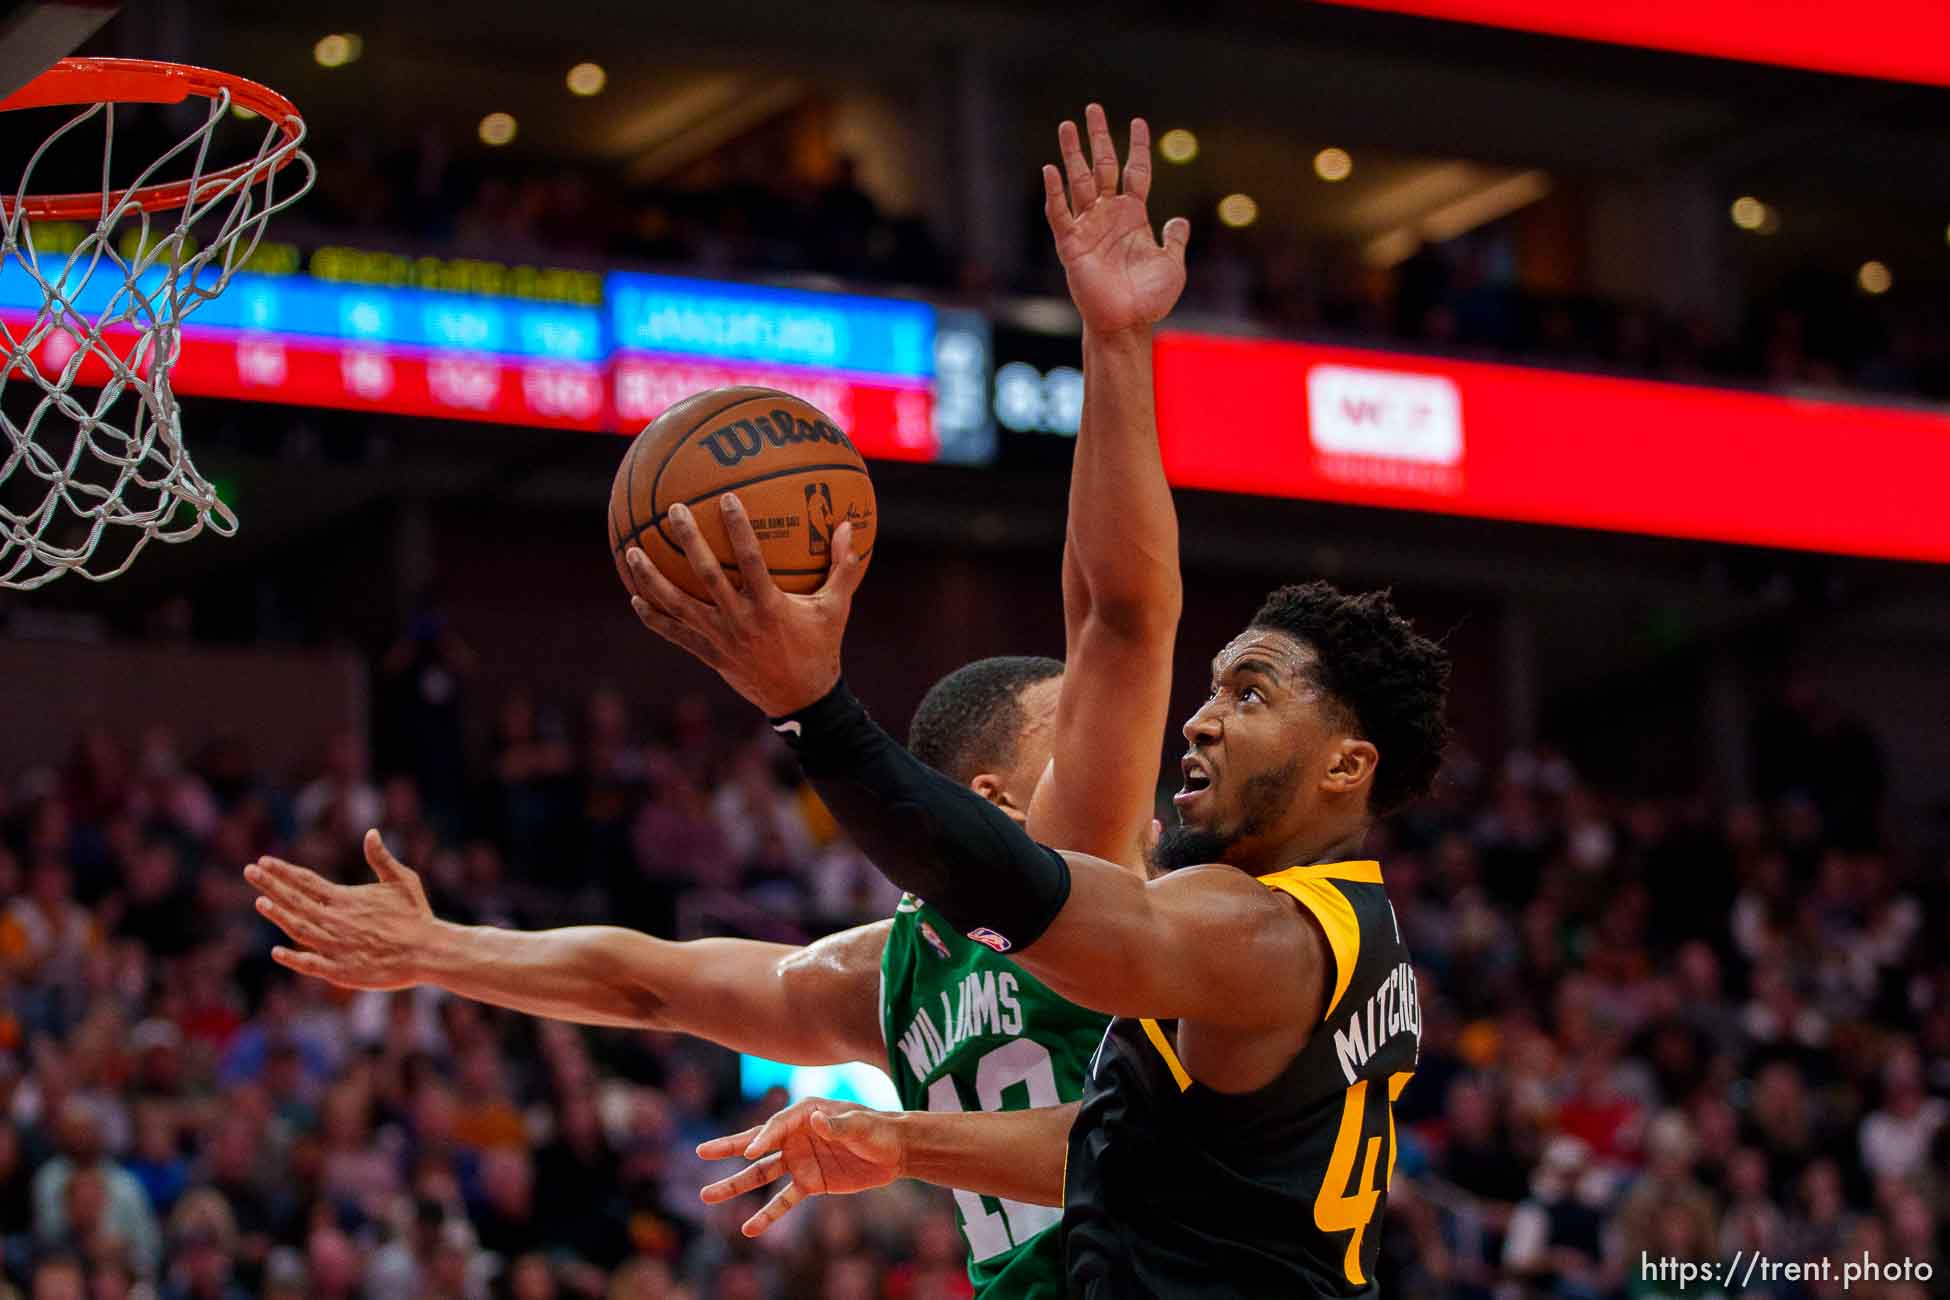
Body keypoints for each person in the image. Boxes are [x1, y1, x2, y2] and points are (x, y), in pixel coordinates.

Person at [245, 104, 1189, 1299]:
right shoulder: (1069, 867)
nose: (1142, 785)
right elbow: (1119, 614)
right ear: (996, 801)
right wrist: (1113, 346)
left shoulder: (890, 975)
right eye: (1078, 748)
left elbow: (644, 980)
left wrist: (440, 949)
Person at [627, 519, 1448, 1289]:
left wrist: (811, 710)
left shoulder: (1263, 934)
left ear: (1346, 768)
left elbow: (1118, 625)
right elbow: (1117, 1146)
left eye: (1250, 695)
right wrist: (903, 1141)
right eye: (1214, 692)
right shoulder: (1321, 927)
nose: (1196, 724)